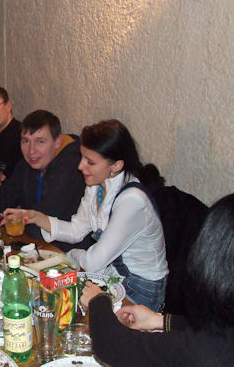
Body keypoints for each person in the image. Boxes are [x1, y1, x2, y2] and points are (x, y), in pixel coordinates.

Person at [80, 191, 234, 367]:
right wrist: (161, 321)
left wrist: (97, 300)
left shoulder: (214, 359)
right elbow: (226, 333)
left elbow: (112, 343)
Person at [9, 119, 167, 310]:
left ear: (116, 166)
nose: (81, 166)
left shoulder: (132, 200)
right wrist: (36, 217)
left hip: (140, 290)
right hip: (112, 274)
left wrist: (68, 255)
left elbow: (92, 263)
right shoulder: (97, 185)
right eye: (82, 158)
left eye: (90, 162)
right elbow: (77, 229)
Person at [0, 110, 85, 240]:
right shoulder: (27, 165)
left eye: (40, 141)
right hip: (34, 243)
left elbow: (42, 224)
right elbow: (1, 206)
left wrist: (16, 218)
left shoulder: (71, 169)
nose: (31, 151)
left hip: (64, 248)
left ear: (57, 142)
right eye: (26, 141)